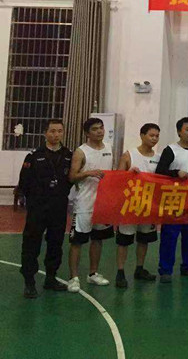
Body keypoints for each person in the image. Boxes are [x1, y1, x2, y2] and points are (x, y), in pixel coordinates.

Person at [18, 119, 72, 298]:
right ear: (45, 133)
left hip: (58, 206)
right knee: (32, 242)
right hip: (38, 206)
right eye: (52, 131)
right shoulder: (34, 155)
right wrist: (30, 200)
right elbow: (24, 181)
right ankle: (29, 282)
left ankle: (51, 277)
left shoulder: (68, 155)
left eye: (59, 131)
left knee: (56, 242)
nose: (56, 135)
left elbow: (71, 179)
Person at [67, 117, 114, 293]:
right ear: (87, 133)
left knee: (98, 239)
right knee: (77, 241)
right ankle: (73, 277)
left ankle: (93, 273)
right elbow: (72, 176)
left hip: (102, 202)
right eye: (95, 129)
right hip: (84, 203)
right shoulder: (81, 152)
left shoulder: (109, 148)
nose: (100, 131)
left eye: (101, 128)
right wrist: (88, 173)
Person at [156, 117, 188, 283]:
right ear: (179, 132)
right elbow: (160, 171)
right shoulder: (170, 150)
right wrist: (176, 172)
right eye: (187, 130)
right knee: (170, 236)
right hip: (173, 200)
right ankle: (165, 270)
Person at [114, 123, 161, 289]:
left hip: (149, 205)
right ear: (142, 136)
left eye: (157, 136)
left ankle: (139, 268)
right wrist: (128, 174)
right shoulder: (129, 155)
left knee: (144, 239)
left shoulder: (158, 157)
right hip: (130, 205)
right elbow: (117, 178)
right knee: (124, 240)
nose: (154, 139)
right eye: (151, 135)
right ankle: (120, 272)